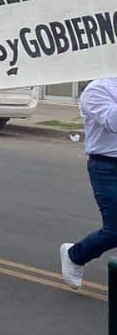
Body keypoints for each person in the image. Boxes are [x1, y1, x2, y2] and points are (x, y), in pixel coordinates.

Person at [61, 78, 117, 289]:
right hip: (107, 167)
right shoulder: (98, 89)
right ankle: (75, 255)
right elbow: (113, 122)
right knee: (115, 230)